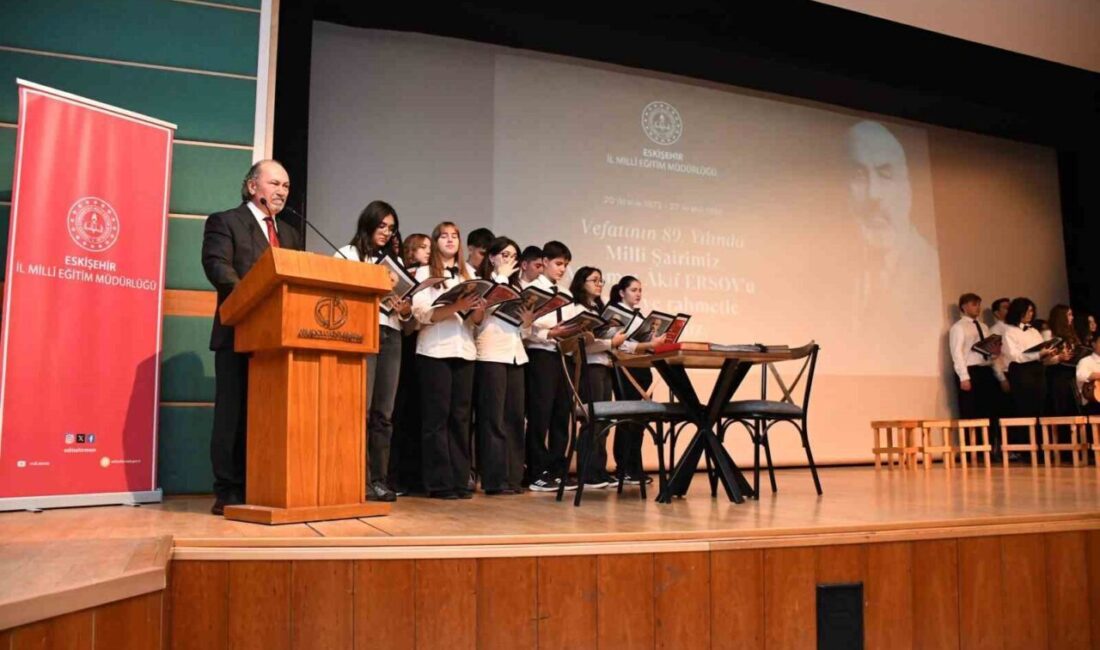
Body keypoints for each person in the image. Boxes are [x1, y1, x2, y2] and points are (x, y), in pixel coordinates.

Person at [201, 160, 302, 515]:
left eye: (286, 186)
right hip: (239, 332)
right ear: (251, 187)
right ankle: (228, 488)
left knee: (268, 415)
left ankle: (262, 482)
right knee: (234, 413)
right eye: (274, 183)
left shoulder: (290, 234)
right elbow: (218, 267)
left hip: (279, 338)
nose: (281, 191)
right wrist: (254, 298)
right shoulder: (225, 222)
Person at [845, 120, 941, 374]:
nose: (873, 193)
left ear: (907, 186)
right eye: (858, 175)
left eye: (885, 174)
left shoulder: (931, 271)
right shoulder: (822, 277)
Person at [335, 200, 409, 502]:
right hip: (359, 333)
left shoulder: (394, 263)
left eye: (391, 228)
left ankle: (379, 479)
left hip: (390, 333)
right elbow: (337, 296)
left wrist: (403, 307)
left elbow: (406, 309)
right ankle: (357, 478)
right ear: (368, 223)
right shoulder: (347, 254)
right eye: (382, 226)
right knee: (360, 411)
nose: (387, 232)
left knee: (384, 413)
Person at [411, 222, 486, 499]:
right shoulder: (424, 273)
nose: (450, 240)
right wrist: (456, 306)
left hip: (464, 350)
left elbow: (474, 322)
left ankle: (459, 479)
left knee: (461, 418)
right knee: (437, 419)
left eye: (455, 236)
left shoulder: (469, 275)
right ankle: (439, 482)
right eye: (444, 235)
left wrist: (478, 309)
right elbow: (422, 315)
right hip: (435, 351)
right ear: (435, 241)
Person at [474, 237, 532, 494]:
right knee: (492, 420)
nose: (510, 260)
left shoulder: (516, 287)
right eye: (505, 255)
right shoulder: (485, 284)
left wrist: (528, 320)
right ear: (492, 257)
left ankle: (513, 477)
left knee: (515, 419)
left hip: (515, 354)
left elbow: (524, 332)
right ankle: (494, 480)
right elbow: (478, 318)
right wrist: (500, 278)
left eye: (514, 256)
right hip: (490, 354)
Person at [523, 241, 578, 492]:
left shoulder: (566, 294)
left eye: (565, 265)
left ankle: (558, 469)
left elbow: (571, 323)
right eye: (558, 263)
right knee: (540, 415)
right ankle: (536, 471)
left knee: (560, 415)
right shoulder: (532, 290)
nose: (561, 269)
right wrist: (549, 333)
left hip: (562, 356)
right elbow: (528, 328)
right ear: (543, 262)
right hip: (540, 355)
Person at [568, 267, 628, 488]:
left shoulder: (600, 309)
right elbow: (582, 343)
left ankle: (599, 469)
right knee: (591, 418)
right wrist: (611, 343)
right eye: (594, 280)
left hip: (604, 365)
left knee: (604, 419)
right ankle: (588, 471)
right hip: (588, 367)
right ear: (581, 282)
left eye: (601, 280)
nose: (599, 283)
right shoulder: (576, 308)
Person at [608, 276, 666, 485]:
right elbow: (619, 345)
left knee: (641, 419)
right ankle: (623, 466)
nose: (638, 294)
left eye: (640, 290)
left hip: (643, 368)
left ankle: (635, 466)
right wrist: (645, 345)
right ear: (621, 292)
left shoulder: (640, 316)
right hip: (625, 368)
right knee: (627, 417)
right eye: (633, 290)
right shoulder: (615, 314)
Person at [389, 233, 431, 495]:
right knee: (399, 413)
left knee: (417, 414)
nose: (427, 251)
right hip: (402, 346)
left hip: (420, 347)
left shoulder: (429, 276)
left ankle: (415, 476)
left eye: (429, 246)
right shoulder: (404, 275)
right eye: (423, 247)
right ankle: (396, 476)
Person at [1001, 298, 1062, 426]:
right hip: (1021, 373)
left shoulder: (1034, 331)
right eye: (1027, 311)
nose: (1031, 314)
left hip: (1038, 372)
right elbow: (1014, 357)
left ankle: (1041, 442)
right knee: (1025, 409)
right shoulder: (1009, 332)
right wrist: (1038, 354)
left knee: (1040, 407)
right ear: (1018, 312)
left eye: (1032, 311)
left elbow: (1042, 352)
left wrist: (1053, 355)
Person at [1045, 304, 1082, 417]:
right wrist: (1059, 357)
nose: (1072, 317)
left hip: (1071, 374)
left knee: (1074, 408)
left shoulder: (1071, 334)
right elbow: (1044, 360)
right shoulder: (1049, 334)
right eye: (1069, 315)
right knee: (1061, 408)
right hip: (1057, 375)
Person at [1075, 336, 1100, 416]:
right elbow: (1080, 376)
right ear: (1093, 344)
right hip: (1092, 402)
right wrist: (1097, 375)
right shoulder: (1086, 361)